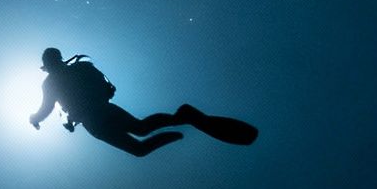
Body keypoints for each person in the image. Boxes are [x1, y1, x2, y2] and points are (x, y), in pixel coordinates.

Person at [27, 47, 258, 157]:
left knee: (139, 148)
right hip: (104, 110)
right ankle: (181, 119)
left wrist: (35, 119)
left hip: (93, 121)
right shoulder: (81, 68)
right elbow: (106, 86)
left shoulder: (50, 84)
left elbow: (46, 108)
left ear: (46, 64)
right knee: (141, 128)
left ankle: (180, 125)